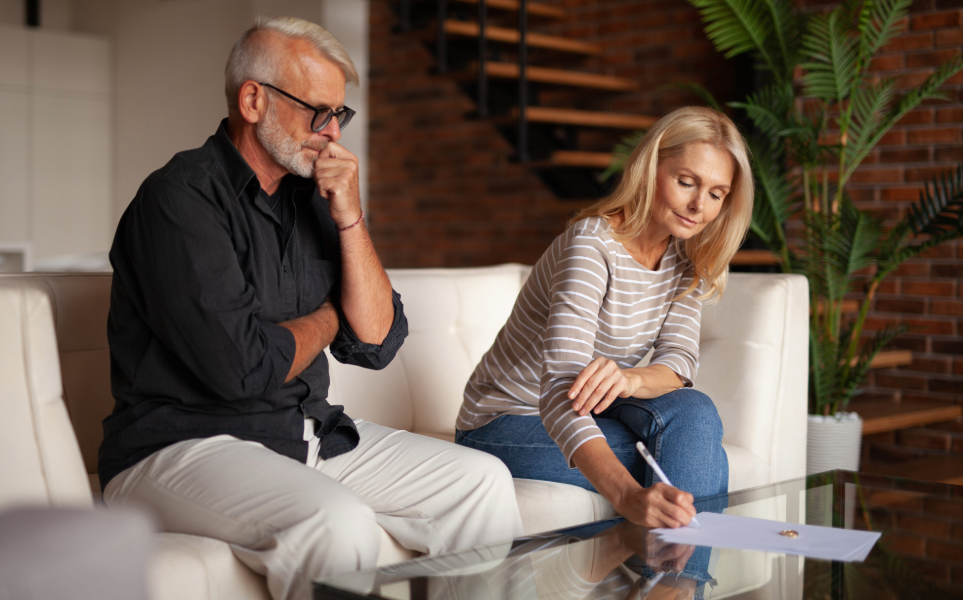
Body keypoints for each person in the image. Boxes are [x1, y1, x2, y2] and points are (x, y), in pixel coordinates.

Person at [99, 16, 523, 600]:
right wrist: (330, 316)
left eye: (338, 116)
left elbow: (377, 341)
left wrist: (350, 215)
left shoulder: (315, 198)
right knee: (337, 521)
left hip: (301, 432)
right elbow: (241, 370)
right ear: (253, 100)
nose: (331, 134)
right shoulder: (179, 199)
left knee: (481, 483)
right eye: (316, 112)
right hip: (179, 446)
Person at [456, 106, 753, 532]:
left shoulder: (686, 257)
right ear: (651, 169)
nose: (698, 206)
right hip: (505, 419)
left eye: (716, 193)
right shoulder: (592, 246)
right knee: (693, 452)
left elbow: (680, 362)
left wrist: (632, 380)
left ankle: (670, 589)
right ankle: (676, 590)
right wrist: (629, 496)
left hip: (596, 409)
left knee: (696, 413)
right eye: (686, 182)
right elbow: (559, 391)